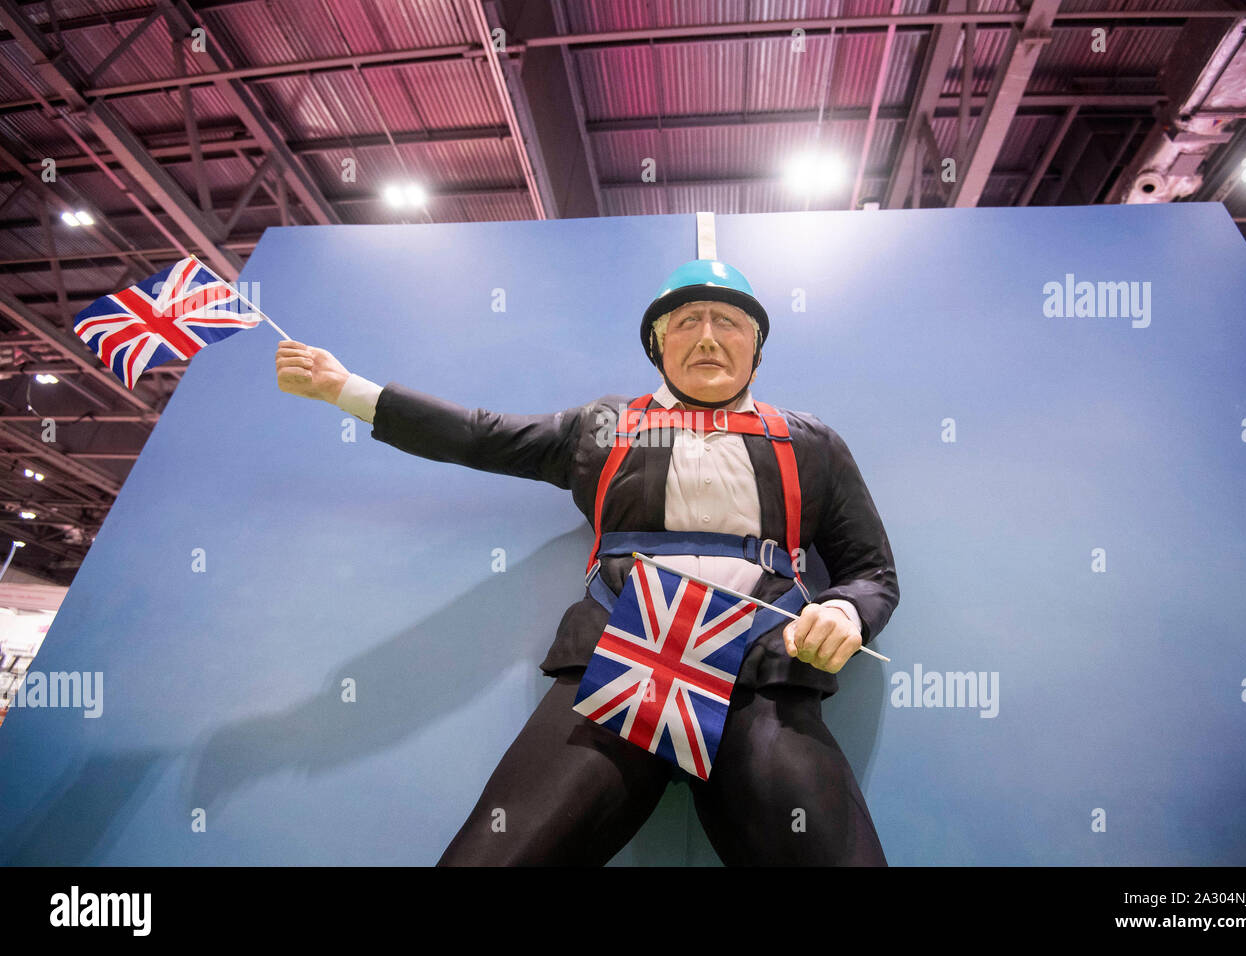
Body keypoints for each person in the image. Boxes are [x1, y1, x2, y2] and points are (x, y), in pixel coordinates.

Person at [275, 259, 900, 865]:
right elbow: (480, 435)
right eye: (686, 321)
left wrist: (846, 611)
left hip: (763, 678)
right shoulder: (602, 428)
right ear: (657, 346)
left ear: (756, 346)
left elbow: (871, 571)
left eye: (728, 322)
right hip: (621, 669)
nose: (707, 336)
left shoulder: (811, 442)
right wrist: (344, 389)